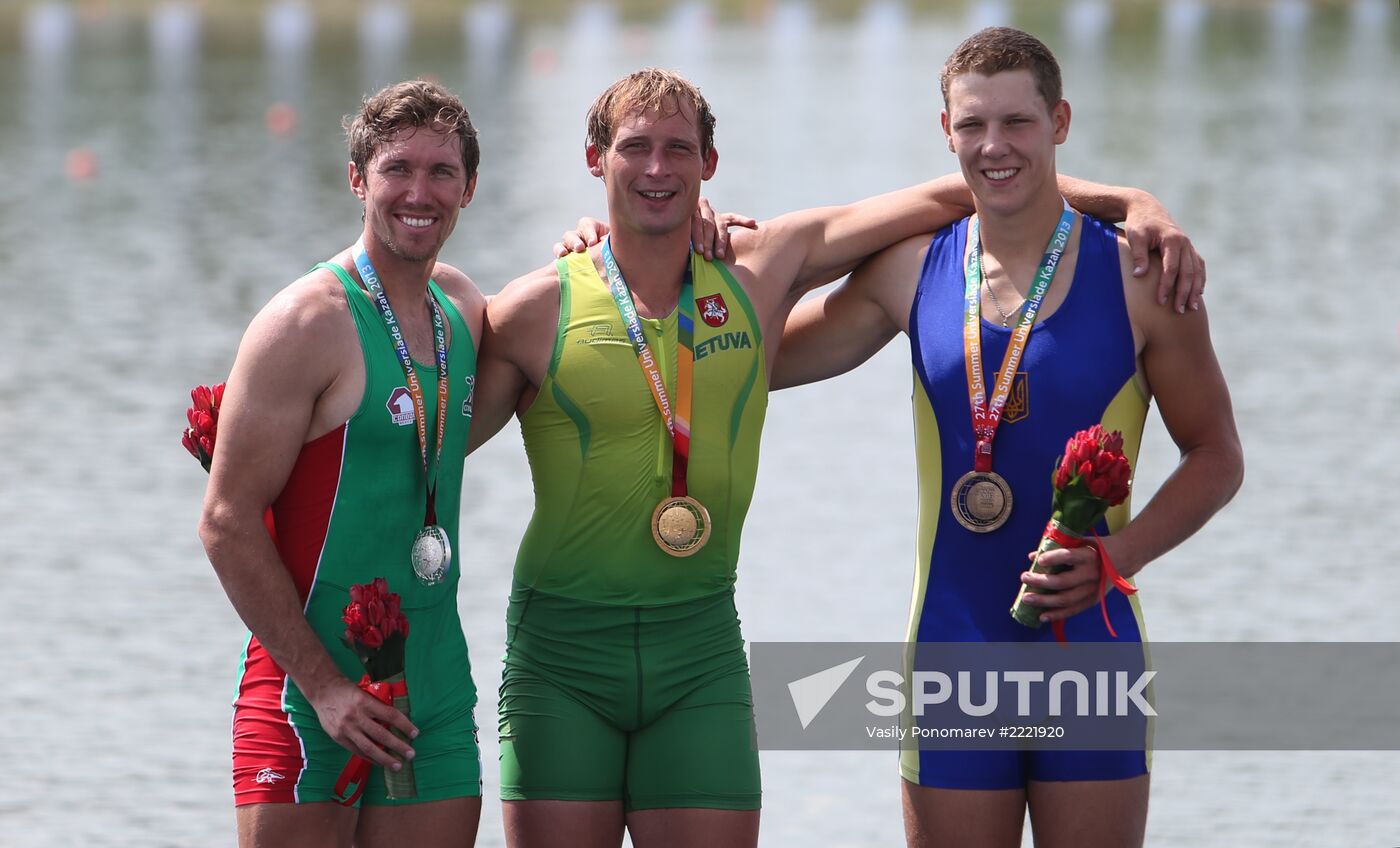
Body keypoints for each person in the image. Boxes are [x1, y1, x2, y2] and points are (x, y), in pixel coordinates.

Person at [473, 67, 1206, 848]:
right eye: (637, 150)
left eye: (677, 151)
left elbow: (966, 189)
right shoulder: (539, 306)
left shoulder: (1131, 273)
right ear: (597, 160)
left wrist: (1137, 203)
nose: (658, 169)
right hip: (920, 654)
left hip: (1064, 649)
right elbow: (437, 449)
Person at [774, 28, 1244, 848]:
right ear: (946, 133)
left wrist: (1117, 559)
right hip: (954, 650)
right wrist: (658, 252)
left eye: (1018, 123)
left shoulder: (1141, 277)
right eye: (972, 126)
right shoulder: (906, 271)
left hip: (1091, 652)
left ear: (1060, 121)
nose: (995, 147)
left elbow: (1216, 458)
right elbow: (753, 358)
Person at [199, 80, 489, 848]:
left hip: (433, 686)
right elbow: (226, 521)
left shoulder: (464, 310)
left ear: (469, 187)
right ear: (358, 179)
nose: (418, 192)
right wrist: (325, 687)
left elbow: (585, 298)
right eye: (397, 169)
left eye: (441, 172)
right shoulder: (305, 322)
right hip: (308, 695)